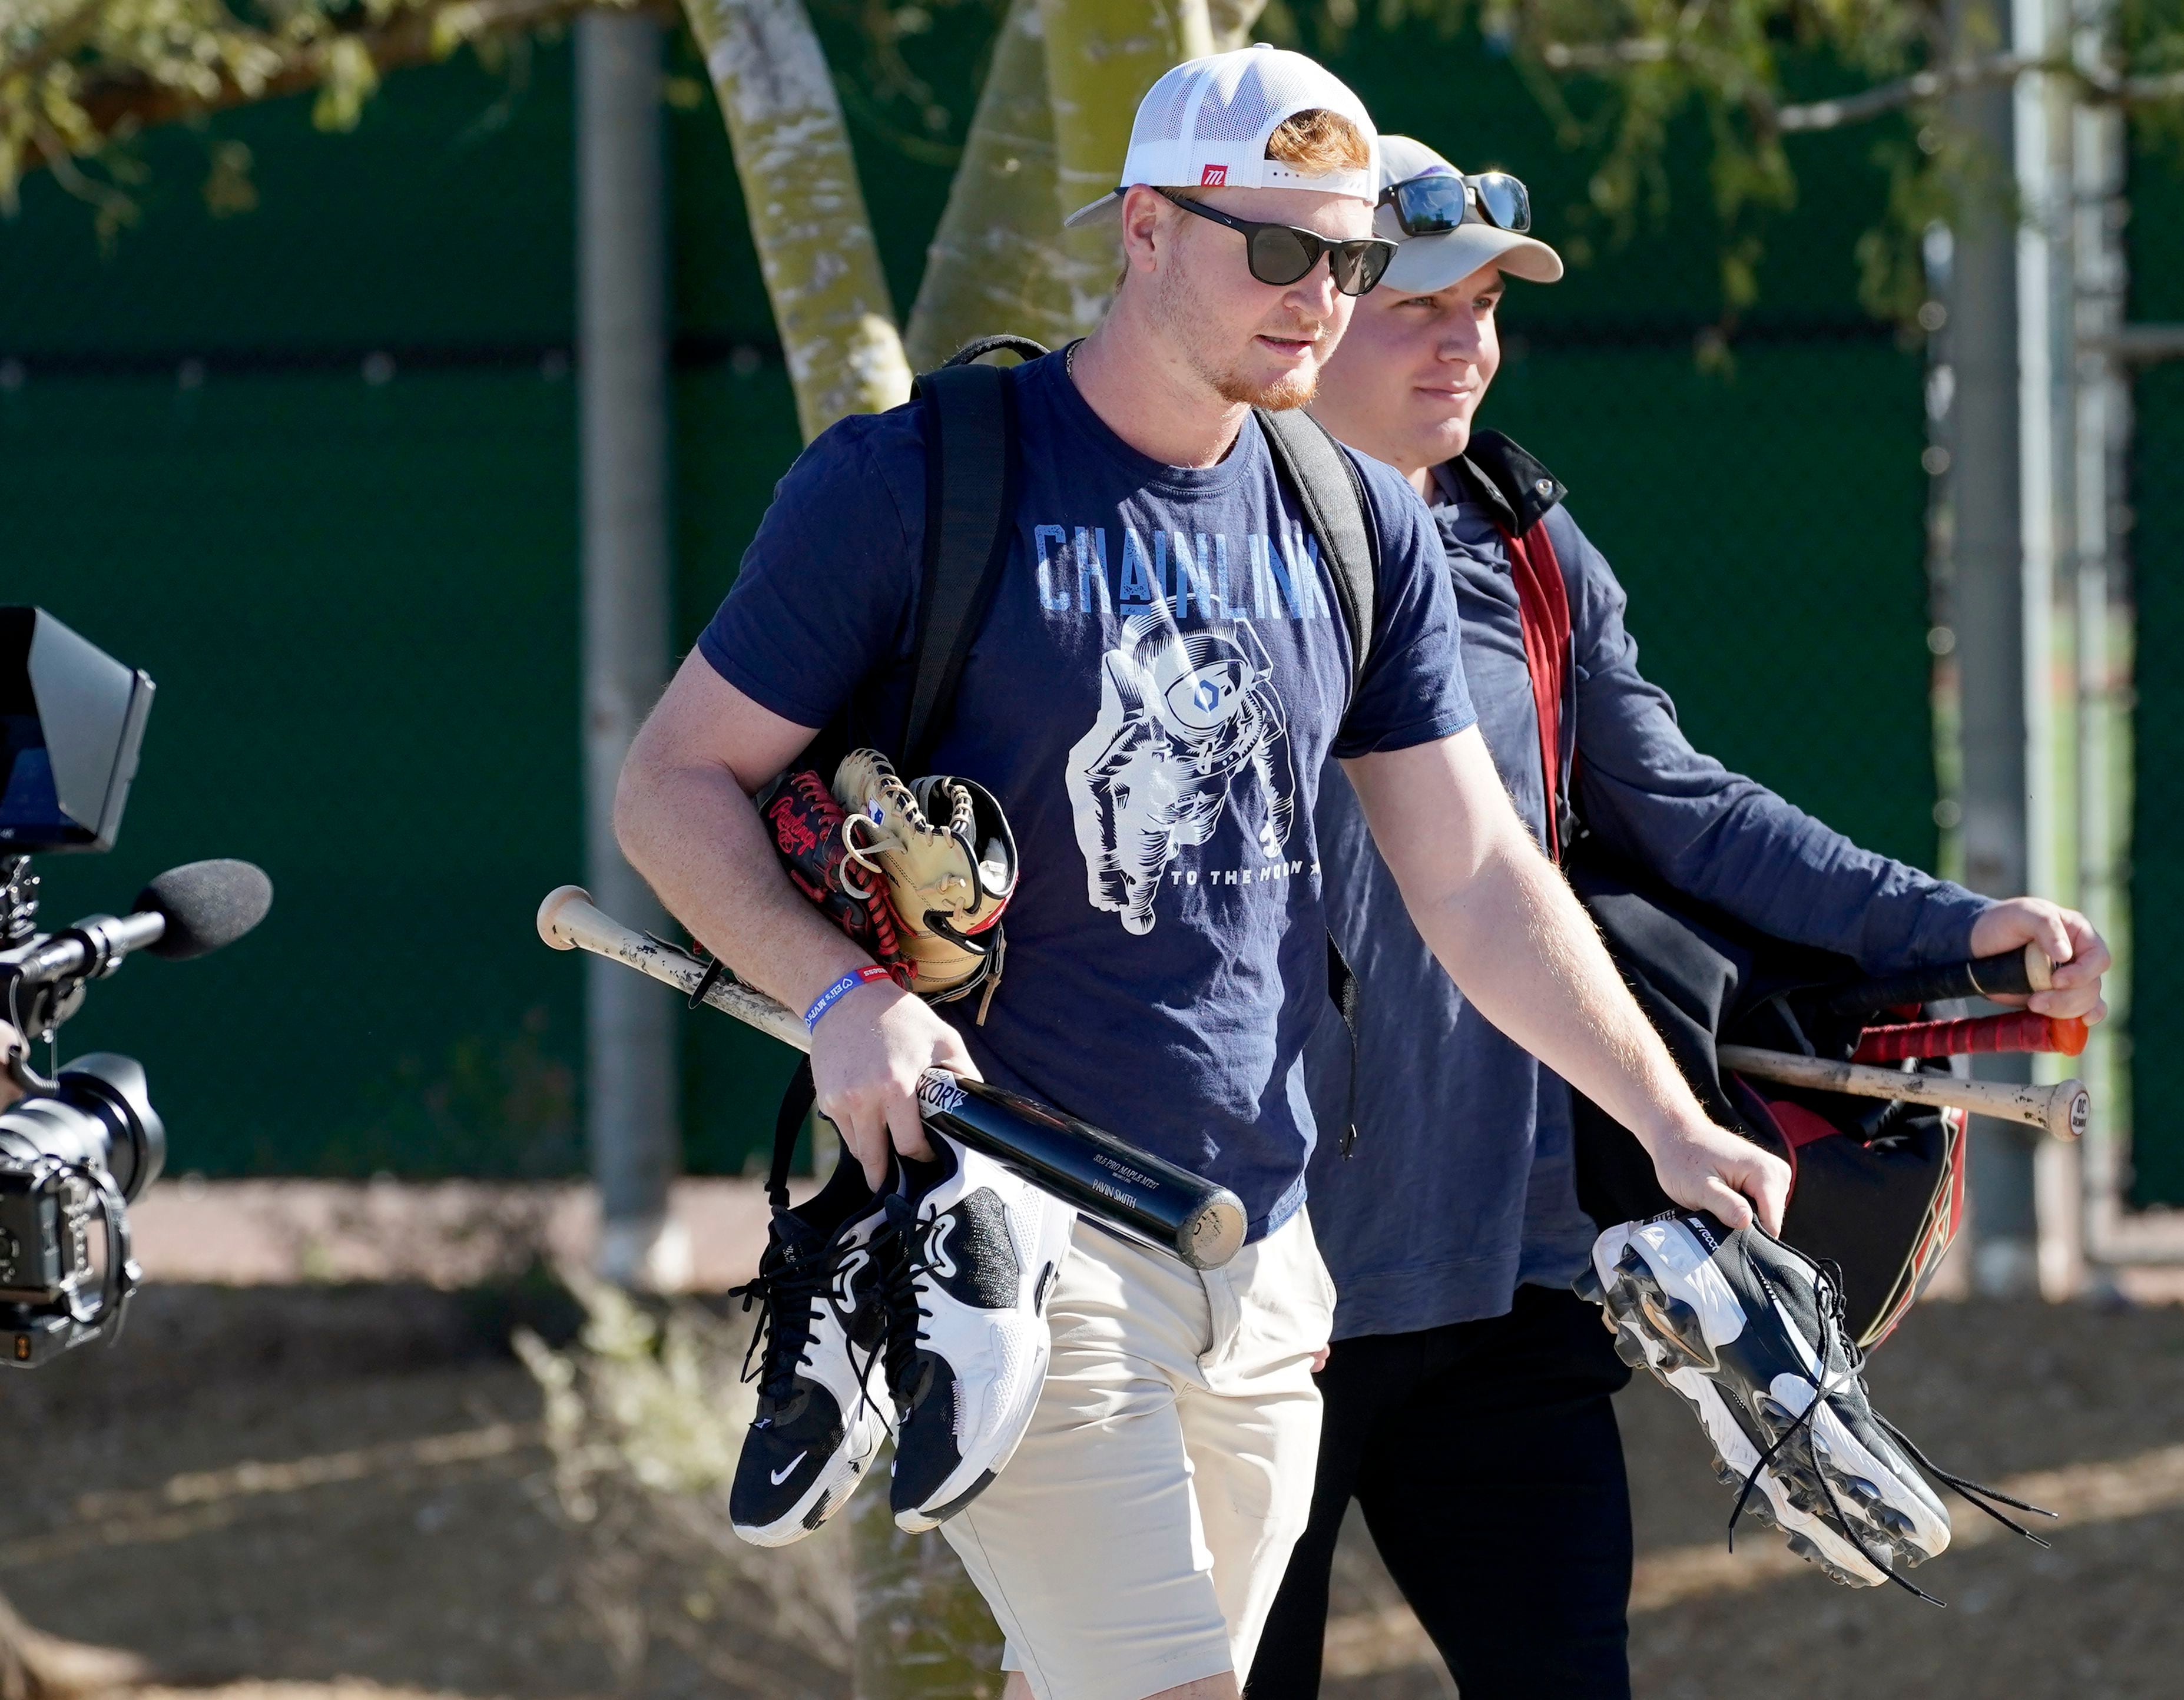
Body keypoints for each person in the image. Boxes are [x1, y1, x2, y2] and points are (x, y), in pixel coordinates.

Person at [614, 49, 1792, 1700]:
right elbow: (671, 783)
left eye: (1354, 257)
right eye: (1280, 249)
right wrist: (842, 994)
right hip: (1009, 1227)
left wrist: (1669, 1118)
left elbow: (1471, 876)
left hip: (1264, 1242)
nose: (1324, 297)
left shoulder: (1349, 514)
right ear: (1147, 230)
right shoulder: (916, 484)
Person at [1246, 136, 2112, 1697]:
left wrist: (1953, 927)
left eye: (1487, 308)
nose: (1465, 342)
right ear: (1310, 309)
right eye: (1422, 307)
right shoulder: (1184, 542)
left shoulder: (1518, 538)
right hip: (1247, 1288)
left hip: (1509, 1280)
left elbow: (1681, 803)